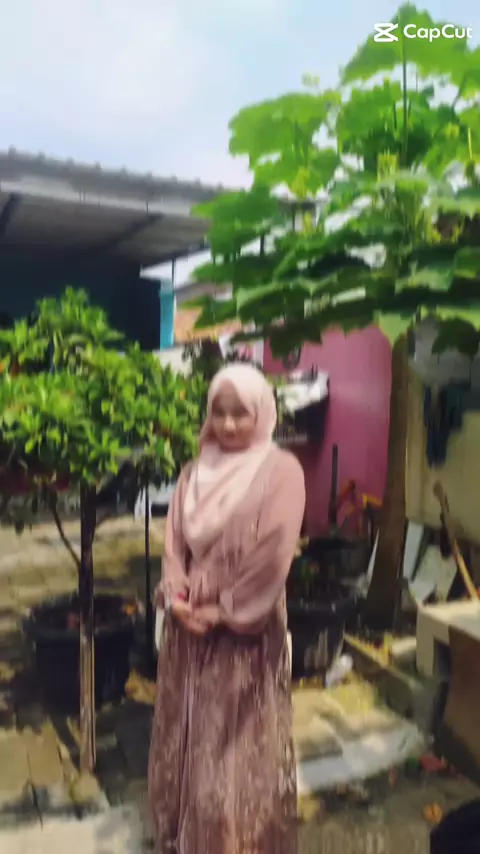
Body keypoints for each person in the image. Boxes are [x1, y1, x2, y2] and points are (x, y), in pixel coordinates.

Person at [148, 363, 306, 854]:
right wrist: (175, 597)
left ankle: (234, 840)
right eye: (219, 412)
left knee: (230, 748)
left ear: (263, 413)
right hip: (189, 631)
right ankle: (188, 835)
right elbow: (175, 542)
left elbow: (274, 553)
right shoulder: (194, 472)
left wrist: (225, 610)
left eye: (241, 413)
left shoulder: (281, 471)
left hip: (243, 634)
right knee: (190, 735)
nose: (229, 424)